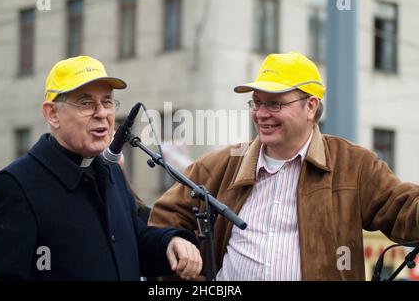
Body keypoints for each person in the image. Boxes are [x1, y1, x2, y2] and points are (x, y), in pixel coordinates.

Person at [149, 52, 419, 281]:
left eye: (274, 104)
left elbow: (404, 210)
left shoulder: (354, 165)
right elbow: (163, 220)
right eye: (257, 102)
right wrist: (176, 241)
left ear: (311, 106)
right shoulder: (218, 166)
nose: (261, 113)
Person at [0, 55, 202, 281]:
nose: (102, 113)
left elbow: (132, 240)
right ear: (52, 114)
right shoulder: (17, 185)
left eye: (107, 101)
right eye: (86, 103)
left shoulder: (110, 170)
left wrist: (171, 242)